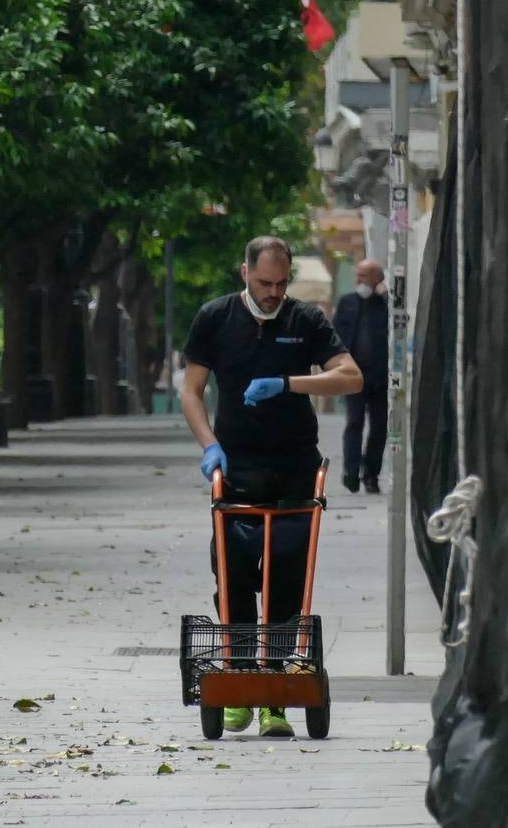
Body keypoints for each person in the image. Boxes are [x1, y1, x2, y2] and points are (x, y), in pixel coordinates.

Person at [180, 236, 362, 738]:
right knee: (234, 577)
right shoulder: (215, 318)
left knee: (286, 581)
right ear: (245, 272)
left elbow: (351, 378)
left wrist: (288, 383)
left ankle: (276, 699)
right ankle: (238, 684)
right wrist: (208, 445)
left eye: (282, 284)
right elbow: (192, 392)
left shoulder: (305, 321)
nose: (274, 293)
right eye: (265, 283)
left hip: (293, 469)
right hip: (236, 469)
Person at [331, 258, 388, 494]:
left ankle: (371, 475)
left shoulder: (386, 304)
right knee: (354, 423)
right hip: (353, 375)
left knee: (379, 427)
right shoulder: (346, 303)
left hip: (381, 375)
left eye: (364, 276)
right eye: (358, 276)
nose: (359, 281)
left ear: (377, 279)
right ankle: (351, 472)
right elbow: (334, 338)